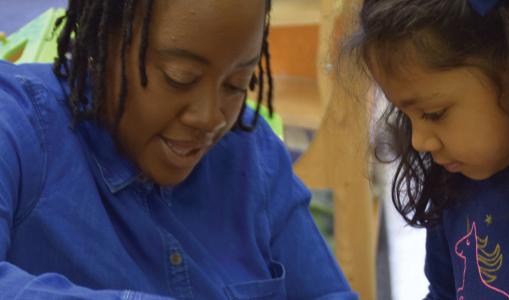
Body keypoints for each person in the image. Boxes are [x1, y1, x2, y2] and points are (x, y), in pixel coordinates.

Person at [0, 0, 356, 299]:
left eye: (237, 84)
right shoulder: (18, 124)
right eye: (179, 77)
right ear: (101, 45)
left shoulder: (253, 154)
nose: (210, 117)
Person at [344, 0, 509, 299]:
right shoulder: (454, 184)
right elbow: (444, 291)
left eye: (434, 113)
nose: (419, 141)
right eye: (404, 114)